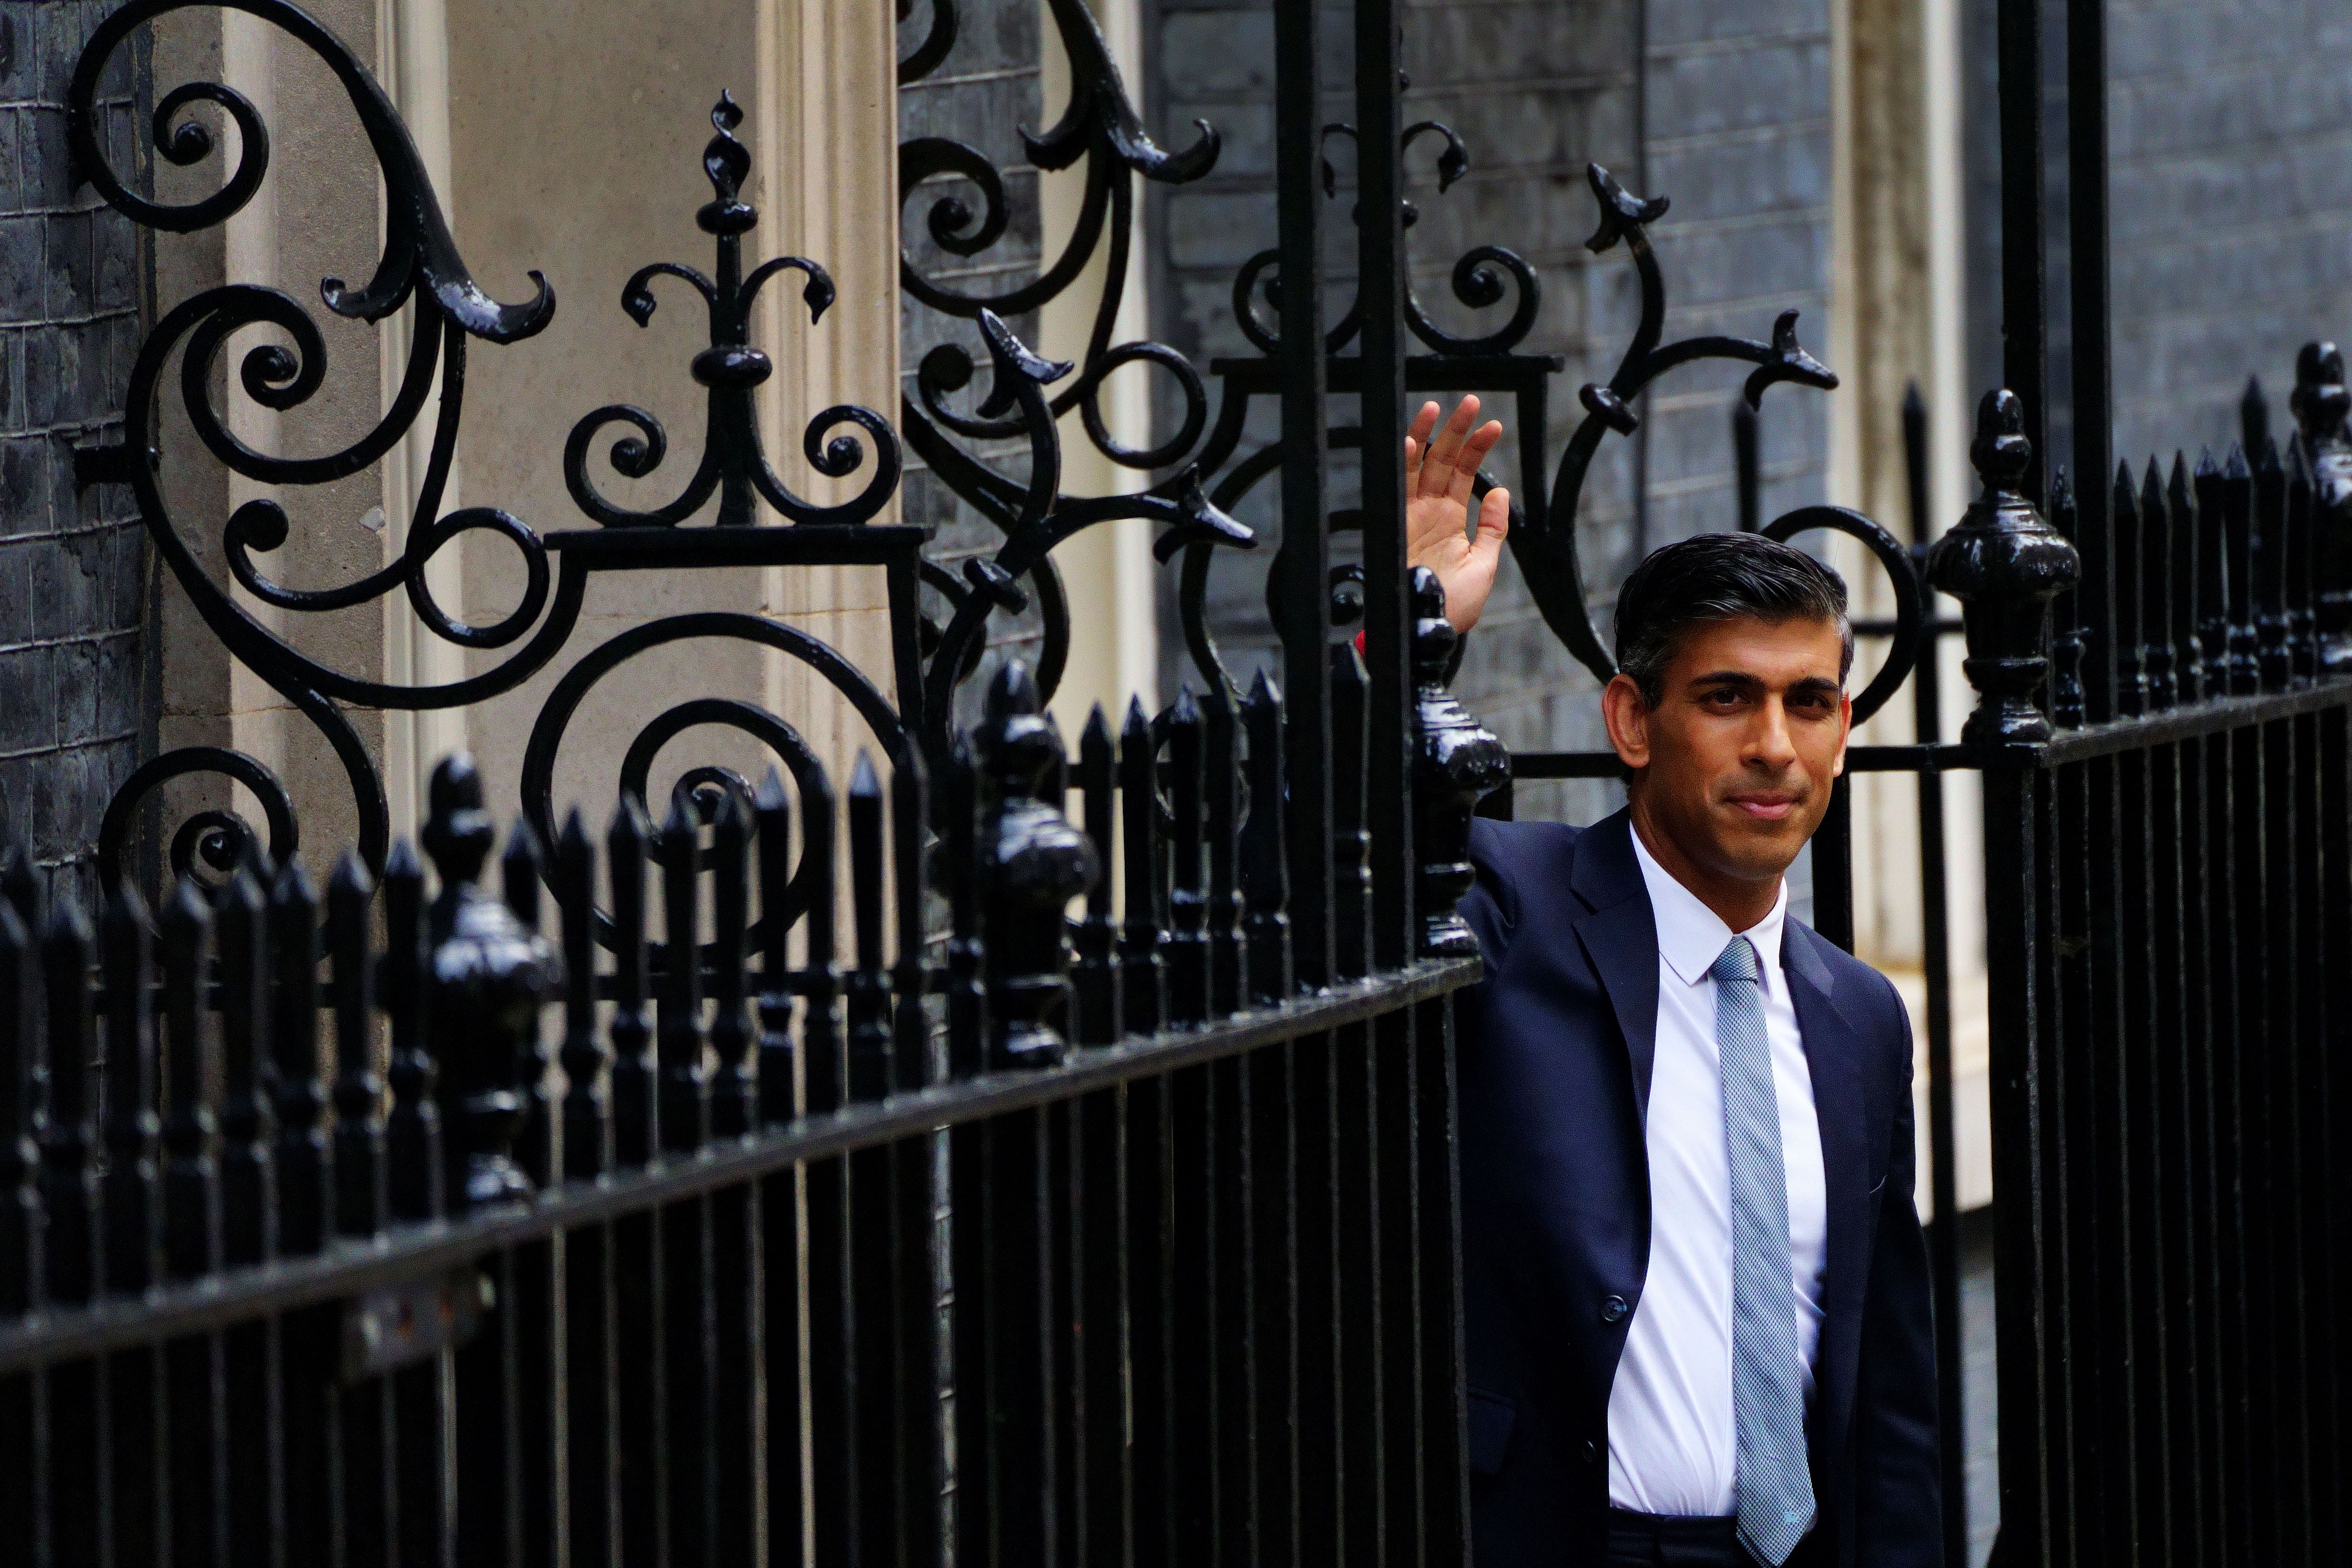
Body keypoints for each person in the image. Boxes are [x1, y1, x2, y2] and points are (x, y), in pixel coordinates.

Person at [1404, 398, 1940, 1568]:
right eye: (1725, 698)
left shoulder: (1858, 1014)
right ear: (1631, 720)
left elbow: (1887, 1387)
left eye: (1809, 702)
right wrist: (1399, 651)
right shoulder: (1509, 904)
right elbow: (1316, 897)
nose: (1772, 745)